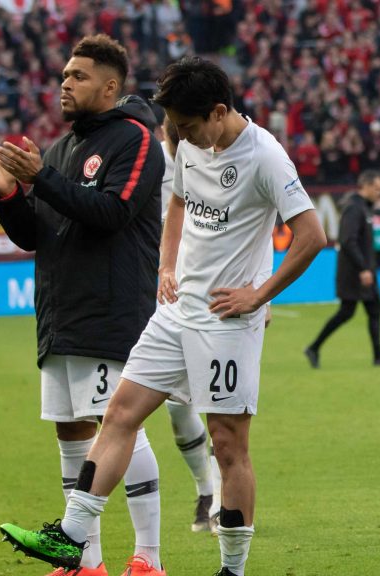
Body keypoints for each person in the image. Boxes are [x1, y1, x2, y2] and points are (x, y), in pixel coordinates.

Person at [0, 56, 327, 576]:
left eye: (188, 124)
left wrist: (259, 293)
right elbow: (176, 202)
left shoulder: (265, 155)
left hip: (226, 320)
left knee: (228, 444)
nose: (179, 134)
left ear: (219, 112)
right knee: (120, 411)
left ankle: (232, 572)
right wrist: (166, 266)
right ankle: (73, 533)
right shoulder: (185, 140)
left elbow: (311, 234)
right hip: (174, 313)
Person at [0, 35, 168, 576]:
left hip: (110, 311)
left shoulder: (135, 140)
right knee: (71, 429)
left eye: (78, 76)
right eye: (64, 74)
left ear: (110, 86)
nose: (64, 83)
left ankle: (149, 559)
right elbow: (34, 234)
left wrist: (44, 179)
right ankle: (83, 561)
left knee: (120, 424)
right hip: (60, 313)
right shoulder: (58, 150)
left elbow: (112, 213)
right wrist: (7, 193)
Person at [156, 107, 219, 534]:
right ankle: (205, 489)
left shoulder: (214, 157)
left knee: (219, 403)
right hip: (160, 293)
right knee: (178, 409)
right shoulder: (150, 161)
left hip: (210, 294)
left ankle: (220, 500)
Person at [305, 170, 380, 368]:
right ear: (365, 186)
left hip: (364, 270)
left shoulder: (363, 208)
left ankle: (378, 356)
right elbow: (348, 240)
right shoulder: (354, 209)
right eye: (377, 188)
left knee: (374, 310)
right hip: (354, 272)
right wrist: (363, 268)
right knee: (347, 312)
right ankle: (313, 347)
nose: (379, 193)